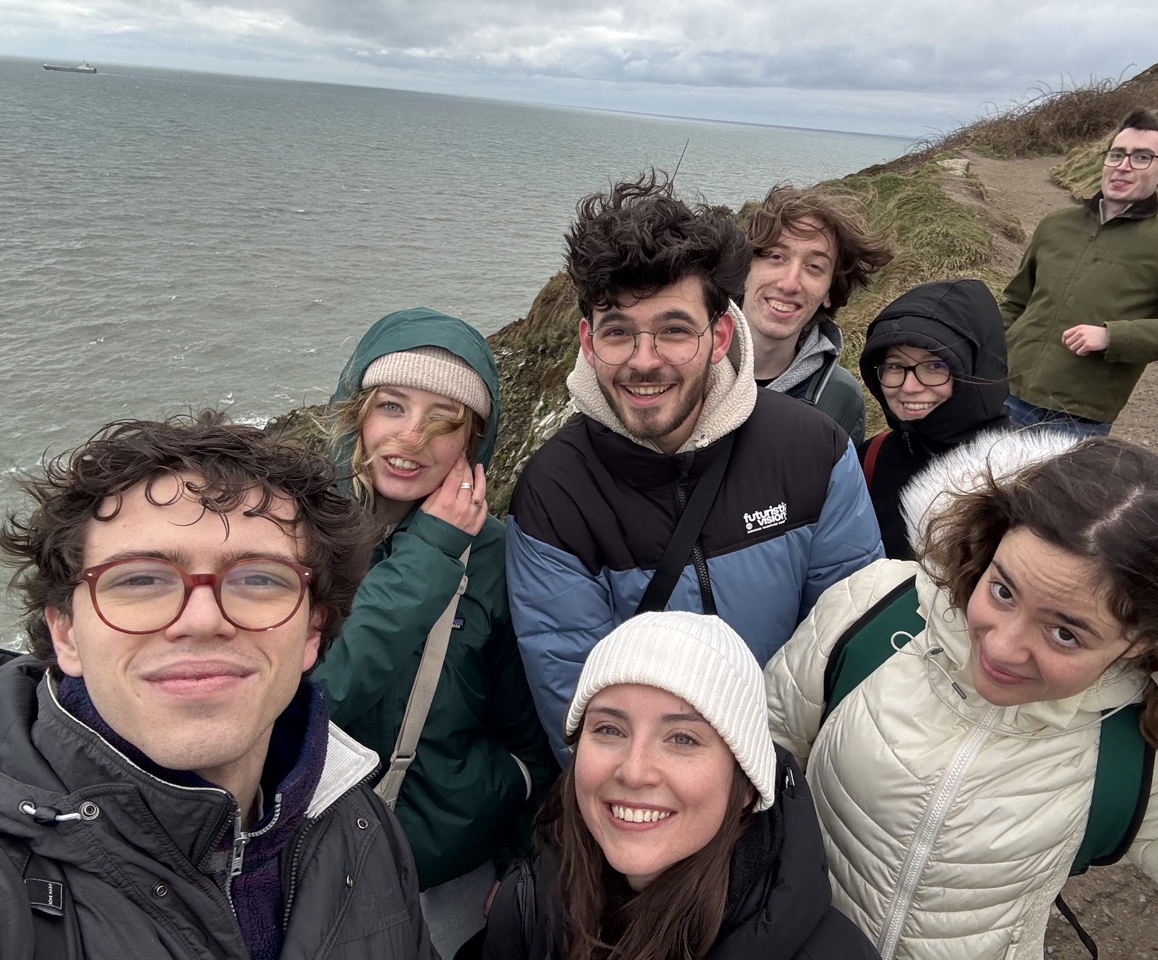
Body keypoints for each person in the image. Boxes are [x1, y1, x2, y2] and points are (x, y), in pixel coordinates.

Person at [765, 430, 1158, 960]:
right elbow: (759, 776)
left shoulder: (1138, 744)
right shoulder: (871, 609)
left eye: (1065, 633)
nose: (1002, 648)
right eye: (1003, 590)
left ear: (1142, 639)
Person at [0, 412, 435, 959]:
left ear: (312, 632)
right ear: (66, 633)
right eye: (141, 579)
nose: (202, 620)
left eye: (258, 578)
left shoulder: (360, 826)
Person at [506, 172, 884, 758]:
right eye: (618, 332)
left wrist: (774, 785)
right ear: (587, 340)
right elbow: (580, 716)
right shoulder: (555, 493)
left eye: (675, 330)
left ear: (721, 334)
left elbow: (850, 649)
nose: (644, 361)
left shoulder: (816, 451)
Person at [313, 307, 556, 958]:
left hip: (451, 875)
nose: (413, 436)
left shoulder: (498, 556)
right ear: (356, 412)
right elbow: (310, 706)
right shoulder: (295, 538)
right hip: (307, 864)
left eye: (444, 418)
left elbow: (529, 733)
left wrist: (523, 864)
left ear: (473, 443)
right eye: (392, 405)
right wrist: (428, 556)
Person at [482, 611, 879, 960]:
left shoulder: (833, 952)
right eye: (609, 729)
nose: (634, 772)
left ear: (745, 786)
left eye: (683, 739)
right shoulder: (528, 906)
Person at [1001, 108, 1158, 436]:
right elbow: (1015, 303)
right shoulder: (1056, 225)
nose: (1123, 165)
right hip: (1005, 392)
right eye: (1117, 154)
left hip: (1074, 417)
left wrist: (1113, 336)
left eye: (1142, 157)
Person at [856, 278, 1009, 559]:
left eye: (935, 366)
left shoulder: (1022, 475)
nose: (909, 386)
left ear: (978, 369)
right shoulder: (871, 458)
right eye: (895, 366)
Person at [740, 183, 894, 448]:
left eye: (814, 266)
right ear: (745, 267)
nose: (790, 284)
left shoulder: (843, 399)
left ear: (829, 291)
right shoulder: (681, 362)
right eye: (776, 256)